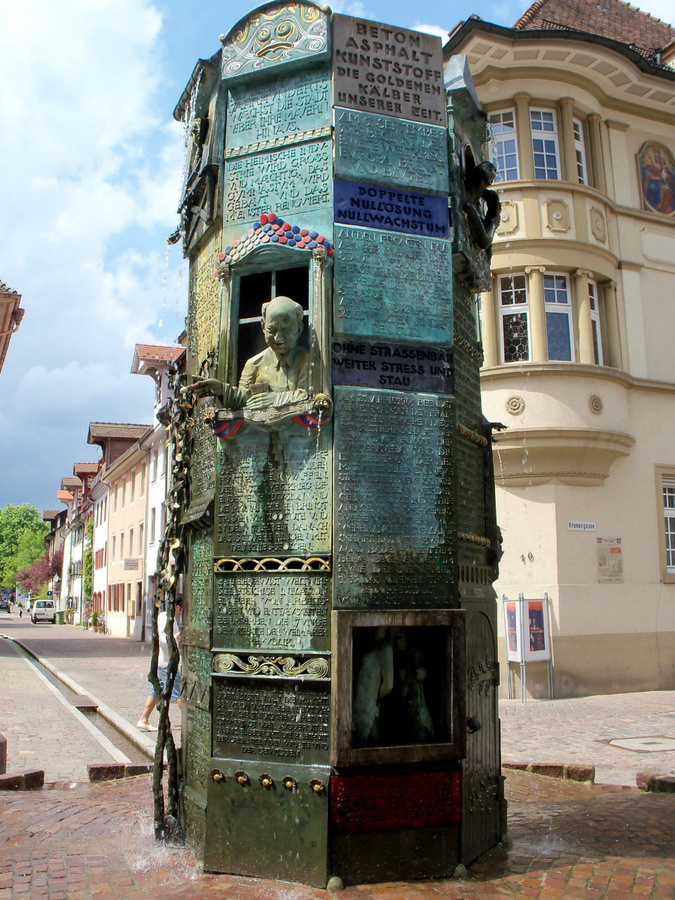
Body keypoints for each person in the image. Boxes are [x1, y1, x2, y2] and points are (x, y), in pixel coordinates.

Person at [185, 295, 308, 410]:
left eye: (286, 331)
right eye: (272, 330)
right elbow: (243, 398)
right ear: (263, 326)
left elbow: (308, 395)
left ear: (299, 329)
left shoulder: (307, 361)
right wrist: (221, 389)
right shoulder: (254, 364)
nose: (278, 338)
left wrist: (274, 399)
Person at [137, 598, 182, 731]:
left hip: (165, 663)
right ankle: (190, 722)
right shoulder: (165, 618)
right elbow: (161, 640)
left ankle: (143, 719)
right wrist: (176, 637)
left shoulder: (171, 618)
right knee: (179, 693)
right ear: (178, 607)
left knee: (156, 691)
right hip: (166, 664)